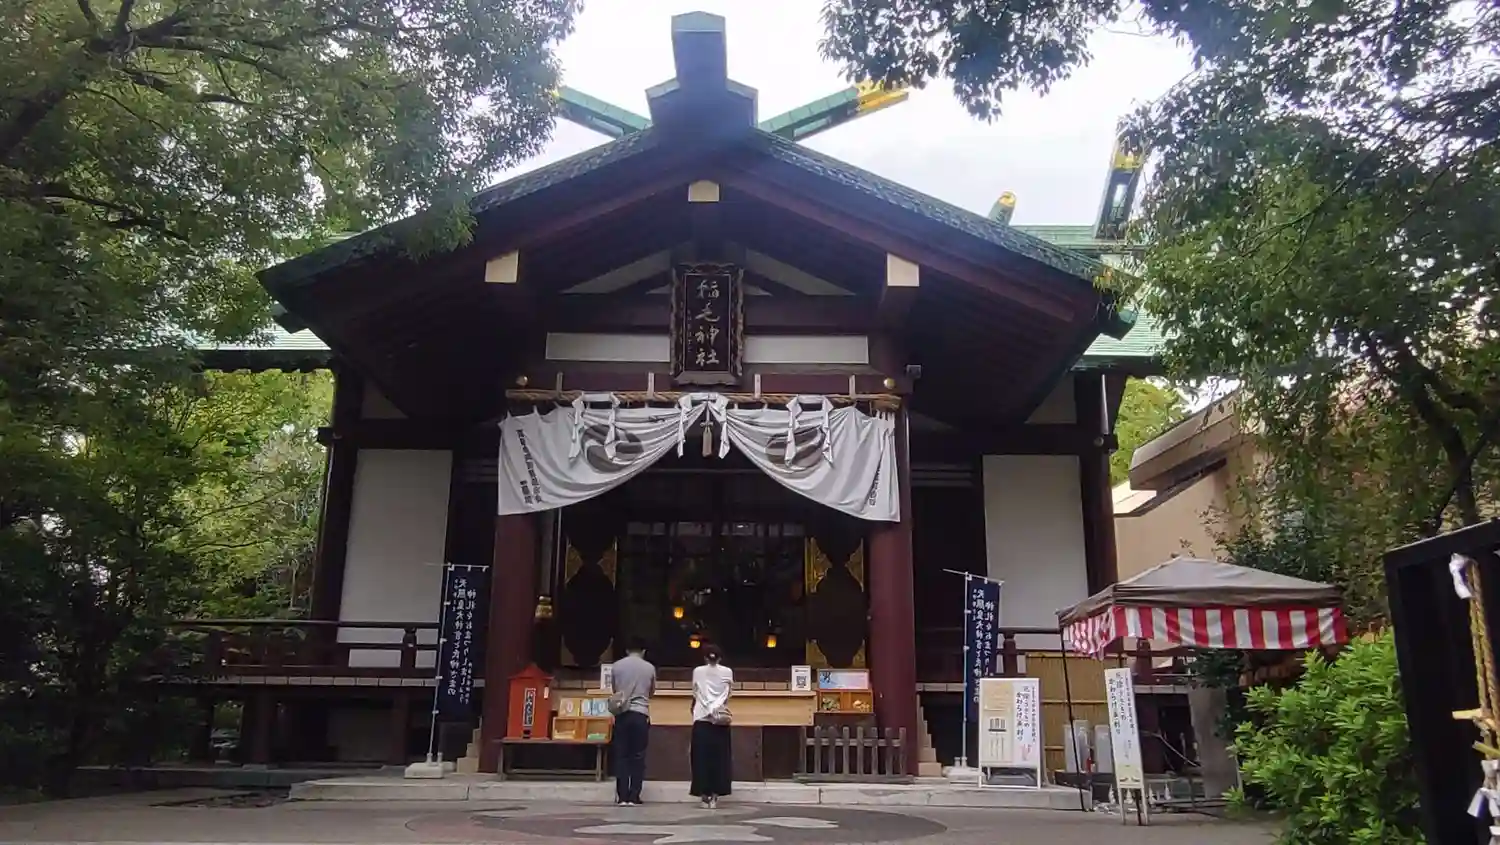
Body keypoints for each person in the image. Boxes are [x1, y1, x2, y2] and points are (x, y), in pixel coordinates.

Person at [610, 637, 656, 806]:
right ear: (643, 651)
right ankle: (634, 795)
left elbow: (615, 690)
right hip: (640, 714)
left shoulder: (616, 666)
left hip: (622, 714)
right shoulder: (649, 668)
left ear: (626, 650)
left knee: (621, 754)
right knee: (638, 756)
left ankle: (622, 796)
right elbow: (651, 692)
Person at [689, 643, 733, 809]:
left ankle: (703, 795)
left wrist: (706, 706)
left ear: (705, 658)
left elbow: (695, 692)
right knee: (720, 759)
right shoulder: (728, 672)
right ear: (720, 658)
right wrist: (716, 706)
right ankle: (715, 796)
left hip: (701, 718)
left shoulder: (698, 671)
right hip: (720, 720)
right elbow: (728, 693)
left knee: (701, 759)